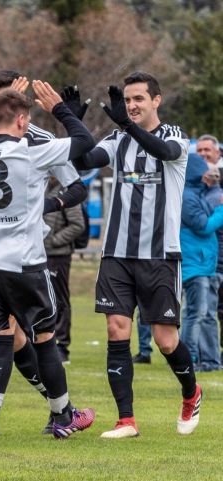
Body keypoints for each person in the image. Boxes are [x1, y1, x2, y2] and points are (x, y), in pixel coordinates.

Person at [0, 83, 96, 443]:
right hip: (24, 263)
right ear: (24, 120)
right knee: (44, 339)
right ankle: (62, 416)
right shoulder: (33, 151)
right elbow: (85, 142)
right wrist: (60, 109)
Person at [75, 72, 200, 438]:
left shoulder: (174, 136)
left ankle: (192, 393)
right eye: (127, 100)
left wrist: (126, 127)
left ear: (156, 100)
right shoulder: (117, 139)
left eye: (138, 99)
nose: (131, 106)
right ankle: (126, 420)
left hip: (160, 255)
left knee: (165, 341)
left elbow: (162, 153)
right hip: (116, 254)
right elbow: (85, 161)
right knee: (117, 330)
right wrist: (71, 121)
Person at [179, 153, 223, 372]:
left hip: (200, 263)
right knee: (194, 314)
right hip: (194, 264)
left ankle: (196, 358)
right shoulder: (187, 197)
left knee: (196, 313)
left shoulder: (194, 193)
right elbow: (203, 226)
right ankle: (189, 358)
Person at [43, 176, 86, 364]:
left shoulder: (66, 191)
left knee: (58, 299)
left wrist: (52, 241)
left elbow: (78, 225)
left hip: (57, 255)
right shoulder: (38, 184)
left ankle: (61, 346)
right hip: (35, 255)